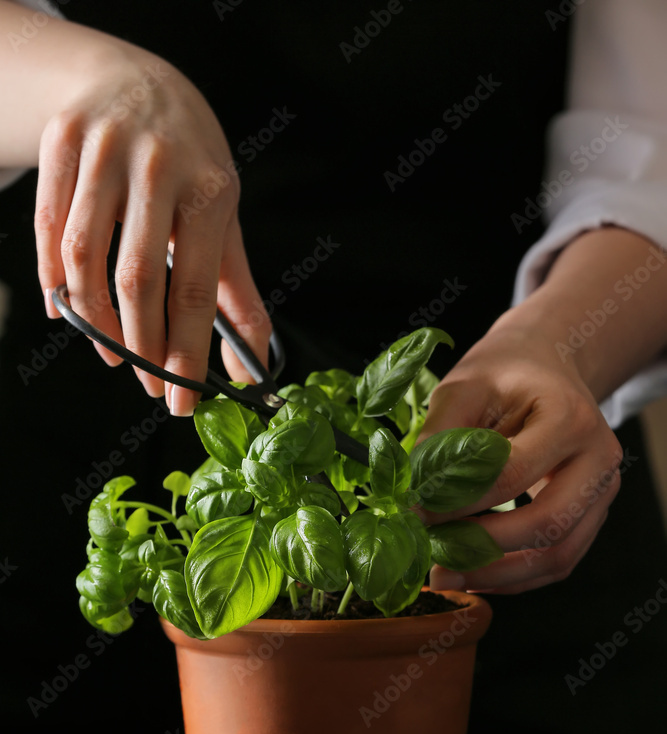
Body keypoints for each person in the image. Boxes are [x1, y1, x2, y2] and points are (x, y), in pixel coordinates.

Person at [1, 0, 667, 599]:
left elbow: (648, 150)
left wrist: (560, 344)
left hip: (517, 462)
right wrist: (87, 81)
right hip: (71, 450)